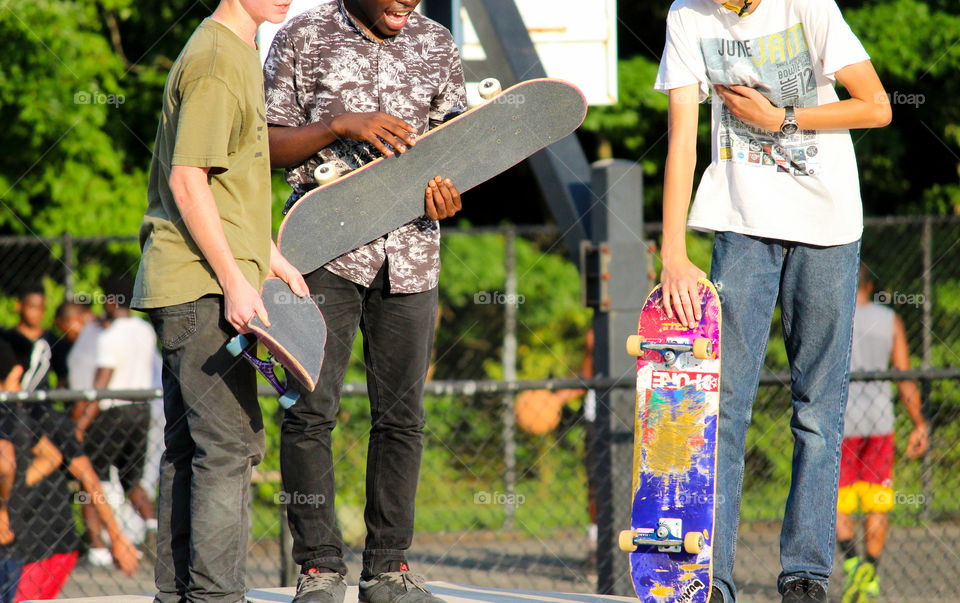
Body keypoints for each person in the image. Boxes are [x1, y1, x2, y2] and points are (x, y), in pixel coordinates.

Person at [654, 1, 891, 601]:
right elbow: (683, 137)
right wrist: (673, 252)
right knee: (723, 407)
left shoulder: (807, 5)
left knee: (817, 408)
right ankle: (712, 578)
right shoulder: (688, 15)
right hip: (740, 226)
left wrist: (781, 116)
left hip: (829, 230)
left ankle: (805, 574)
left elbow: (877, 106)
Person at [263, 1, 465, 601]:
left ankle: (388, 569)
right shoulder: (302, 35)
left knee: (402, 418)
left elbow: (467, 148)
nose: (408, 1)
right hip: (320, 254)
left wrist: (451, 191)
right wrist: (336, 126)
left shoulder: (437, 42)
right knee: (308, 410)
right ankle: (320, 567)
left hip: (411, 256)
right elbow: (261, 147)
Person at [131, 0, 307, 600]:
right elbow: (188, 178)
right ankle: (214, 598)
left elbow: (231, 185)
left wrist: (265, 256)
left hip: (196, 284)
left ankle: (178, 596)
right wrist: (236, 277)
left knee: (192, 450)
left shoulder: (237, 50)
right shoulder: (215, 60)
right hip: (202, 289)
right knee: (229, 449)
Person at [0, 340, 139, 602]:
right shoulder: (10, 413)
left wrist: (117, 537)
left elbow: (89, 480)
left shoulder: (46, 418)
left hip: (48, 544)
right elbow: (39, 464)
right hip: (15, 544)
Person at [835, 267, 927, 603]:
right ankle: (868, 574)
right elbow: (904, 376)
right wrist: (919, 422)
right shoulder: (890, 320)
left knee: (838, 501)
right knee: (877, 502)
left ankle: (855, 566)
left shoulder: (835, 319)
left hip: (842, 423)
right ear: (871, 286)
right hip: (879, 423)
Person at [72, 276, 159, 566]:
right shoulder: (146, 330)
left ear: (110, 301)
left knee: (90, 478)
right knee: (132, 479)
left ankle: (97, 547)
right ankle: (153, 527)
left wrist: (79, 426)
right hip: (141, 409)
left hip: (113, 412)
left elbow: (100, 388)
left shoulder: (109, 337)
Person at [0, 285, 57, 391]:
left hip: (42, 403)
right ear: (19, 305)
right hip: (10, 401)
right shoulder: (5, 340)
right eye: (32, 307)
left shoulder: (51, 339)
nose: (37, 313)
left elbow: (63, 376)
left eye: (41, 308)